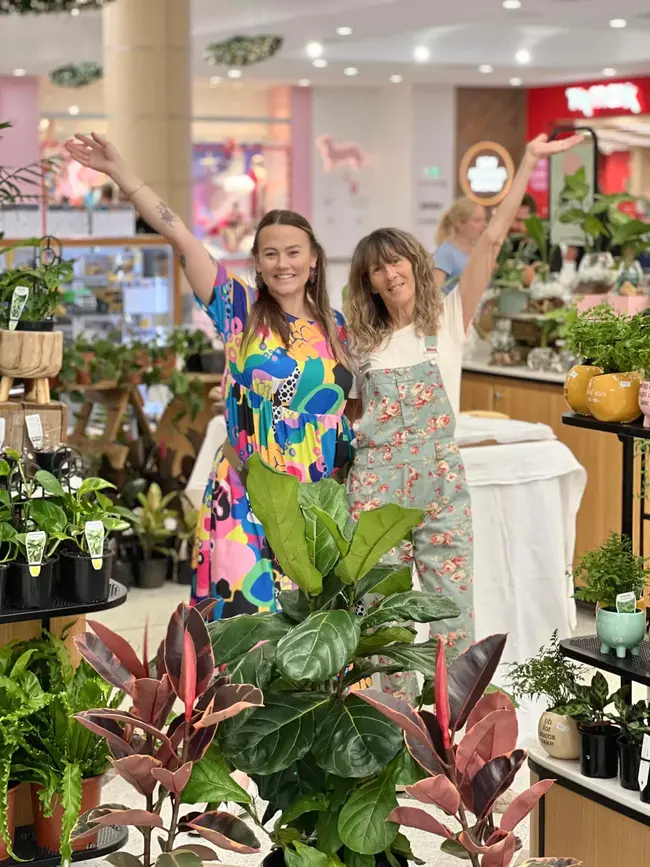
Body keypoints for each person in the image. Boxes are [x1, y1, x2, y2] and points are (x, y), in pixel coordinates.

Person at [64, 132, 355, 620]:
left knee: (310, 636)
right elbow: (179, 235)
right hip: (247, 497)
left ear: (313, 260)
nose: (282, 263)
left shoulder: (338, 327)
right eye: (270, 253)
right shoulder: (239, 309)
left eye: (293, 252)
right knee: (245, 628)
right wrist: (121, 174)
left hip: (316, 503)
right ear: (257, 263)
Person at [345, 132, 583, 701]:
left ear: (413, 262)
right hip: (376, 486)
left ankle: (452, 724)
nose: (389, 275)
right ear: (366, 282)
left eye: (395, 261)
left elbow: (493, 238)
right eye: (375, 270)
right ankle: (392, 722)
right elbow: (346, 409)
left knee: (453, 609)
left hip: (441, 483)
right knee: (381, 614)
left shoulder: (448, 320)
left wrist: (529, 161)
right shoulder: (358, 341)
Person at [433, 198, 487, 294]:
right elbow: (435, 292)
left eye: (484, 219)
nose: (484, 225)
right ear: (460, 224)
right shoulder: (445, 253)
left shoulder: (482, 252)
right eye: (477, 220)